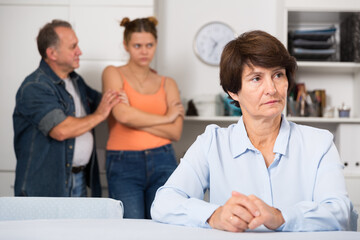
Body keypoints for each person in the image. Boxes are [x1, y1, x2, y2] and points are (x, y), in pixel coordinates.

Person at [151, 30, 358, 232]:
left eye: (278, 75)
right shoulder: (212, 142)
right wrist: (214, 216)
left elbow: (339, 211)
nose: (272, 89)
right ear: (233, 91)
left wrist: (282, 217)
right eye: (256, 78)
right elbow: (164, 203)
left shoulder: (319, 143)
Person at [13, 19, 121, 197]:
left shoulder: (75, 81)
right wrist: (100, 114)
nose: (80, 51)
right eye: (73, 47)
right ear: (52, 53)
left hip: (77, 180)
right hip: (46, 187)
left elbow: (107, 101)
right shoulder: (34, 87)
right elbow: (61, 130)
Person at [102, 17, 184, 219]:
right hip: (123, 162)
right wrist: (166, 117)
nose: (144, 51)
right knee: (131, 229)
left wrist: (134, 116)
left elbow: (175, 132)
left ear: (156, 44)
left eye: (149, 45)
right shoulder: (112, 73)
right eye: (137, 45)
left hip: (163, 158)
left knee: (164, 224)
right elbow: (121, 115)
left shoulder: (168, 83)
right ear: (126, 45)